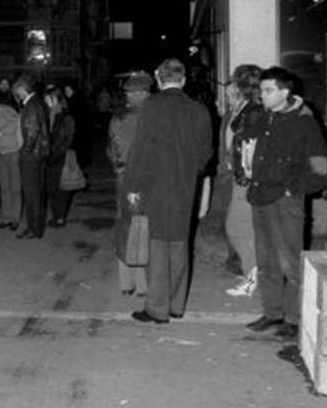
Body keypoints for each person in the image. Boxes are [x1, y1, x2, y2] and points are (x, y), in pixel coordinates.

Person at [237, 66, 327, 342]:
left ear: (285, 92)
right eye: (262, 90)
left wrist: (293, 189)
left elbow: (321, 169)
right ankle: (273, 313)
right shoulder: (266, 119)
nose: (262, 95)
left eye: (268, 90)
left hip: (285, 201)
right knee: (266, 260)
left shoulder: (304, 123)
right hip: (261, 196)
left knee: (289, 260)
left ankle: (293, 318)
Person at [124, 58, 213, 325]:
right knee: (179, 243)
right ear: (183, 80)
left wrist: (132, 186)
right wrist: (191, 170)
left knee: (158, 245)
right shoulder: (199, 109)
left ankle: (156, 308)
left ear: (159, 79)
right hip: (185, 185)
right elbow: (205, 153)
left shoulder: (152, 105)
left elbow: (140, 148)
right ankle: (176, 304)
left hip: (155, 184)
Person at [107, 70, 152, 296]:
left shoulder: (118, 118)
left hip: (124, 178)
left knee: (124, 225)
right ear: (146, 93)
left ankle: (126, 283)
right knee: (145, 226)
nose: (127, 96)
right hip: (148, 178)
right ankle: (144, 284)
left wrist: (119, 167)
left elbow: (111, 150)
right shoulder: (154, 117)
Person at [222, 65, 265, 298]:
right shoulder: (246, 109)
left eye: (234, 84)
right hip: (241, 177)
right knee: (242, 229)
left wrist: (246, 174)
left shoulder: (252, 112)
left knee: (238, 228)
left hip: (245, 179)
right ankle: (253, 275)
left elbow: (249, 147)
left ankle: (252, 279)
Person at [13, 74, 49, 239]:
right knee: (35, 191)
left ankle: (34, 228)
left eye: (17, 89)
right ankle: (34, 226)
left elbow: (32, 132)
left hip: (32, 155)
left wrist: (24, 152)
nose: (16, 92)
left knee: (32, 193)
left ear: (24, 88)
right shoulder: (36, 103)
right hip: (37, 153)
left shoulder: (32, 106)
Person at [0, 87, 22, 230]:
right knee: (8, 186)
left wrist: (0, 133)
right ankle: (9, 217)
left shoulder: (0, 110)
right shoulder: (5, 110)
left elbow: (16, 123)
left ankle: (11, 217)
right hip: (6, 151)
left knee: (10, 186)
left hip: (9, 151)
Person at [44, 86, 76, 228]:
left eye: (47, 98)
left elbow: (67, 138)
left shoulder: (65, 116)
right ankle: (57, 215)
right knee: (52, 187)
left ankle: (60, 217)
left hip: (61, 156)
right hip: (50, 156)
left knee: (60, 188)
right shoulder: (48, 114)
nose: (45, 101)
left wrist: (56, 152)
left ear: (55, 99)